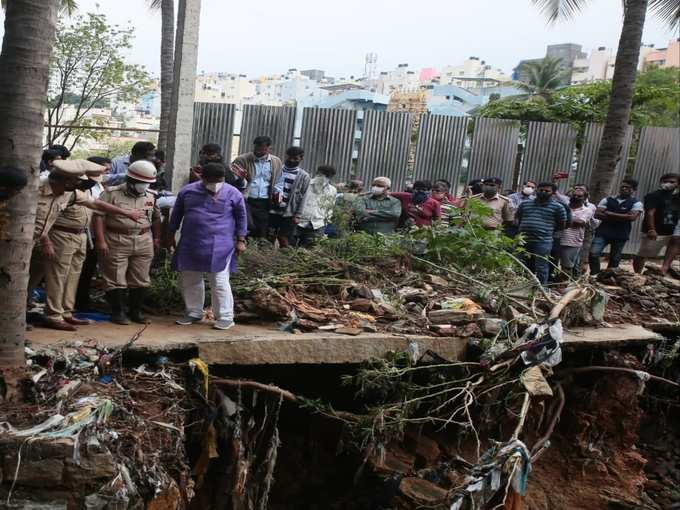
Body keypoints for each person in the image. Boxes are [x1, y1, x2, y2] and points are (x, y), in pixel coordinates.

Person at [28, 160, 143, 331]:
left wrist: (126, 212)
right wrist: (46, 240)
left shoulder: (70, 192)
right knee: (42, 278)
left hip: (50, 240)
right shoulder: (34, 190)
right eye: (76, 181)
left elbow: (95, 204)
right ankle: (51, 315)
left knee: (68, 276)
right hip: (30, 242)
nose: (79, 185)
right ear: (65, 181)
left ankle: (65, 313)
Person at [168, 163, 248, 330]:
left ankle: (225, 316)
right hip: (191, 242)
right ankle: (193, 312)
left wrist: (241, 240)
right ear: (202, 178)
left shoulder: (233, 193)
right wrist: (170, 236)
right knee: (190, 278)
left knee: (219, 281)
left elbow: (241, 217)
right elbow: (176, 215)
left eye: (219, 180)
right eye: (211, 180)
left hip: (220, 245)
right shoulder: (187, 191)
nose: (215, 184)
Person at [93, 160, 161, 325]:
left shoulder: (151, 196)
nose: (144, 186)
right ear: (131, 180)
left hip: (143, 238)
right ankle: (117, 312)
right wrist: (101, 240)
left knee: (141, 277)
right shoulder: (111, 194)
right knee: (115, 276)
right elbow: (99, 217)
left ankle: (135, 312)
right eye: (141, 182)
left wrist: (156, 238)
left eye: (147, 183)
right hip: (117, 238)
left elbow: (156, 217)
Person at [74, 157, 112, 311]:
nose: (107, 172)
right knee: (79, 271)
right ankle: (76, 302)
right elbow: (97, 207)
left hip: (94, 235)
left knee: (88, 270)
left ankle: (82, 301)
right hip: (82, 233)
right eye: (104, 169)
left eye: (108, 169)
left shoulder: (100, 187)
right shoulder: (81, 186)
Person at [515, 182, 567, 285]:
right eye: (541, 190)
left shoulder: (558, 207)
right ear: (536, 190)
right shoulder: (525, 204)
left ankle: (541, 288)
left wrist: (545, 231)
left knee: (541, 266)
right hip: (523, 240)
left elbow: (562, 225)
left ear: (553, 193)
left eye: (547, 191)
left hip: (543, 242)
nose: (543, 192)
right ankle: (520, 285)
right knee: (520, 264)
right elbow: (519, 218)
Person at [232, 136, 284, 239]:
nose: (259, 152)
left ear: (269, 148)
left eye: (262, 150)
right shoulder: (242, 160)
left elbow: (279, 181)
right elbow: (235, 182)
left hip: (264, 201)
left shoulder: (276, 161)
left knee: (261, 229)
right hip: (246, 199)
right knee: (245, 226)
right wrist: (242, 178)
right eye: (257, 149)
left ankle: (257, 251)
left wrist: (278, 193)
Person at [589, 179, 643, 275]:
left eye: (628, 187)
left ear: (633, 190)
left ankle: (608, 277)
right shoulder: (608, 199)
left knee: (615, 259)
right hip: (603, 232)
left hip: (621, 234)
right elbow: (597, 214)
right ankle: (595, 275)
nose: (624, 189)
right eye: (623, 186)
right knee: (593, 253)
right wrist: (623, 216)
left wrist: (609, 213)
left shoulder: (636, 203)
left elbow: (632, 217)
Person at [633, 173, 680, 273]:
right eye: (665, 181)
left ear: (678, 184)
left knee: (674, 245)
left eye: (672, 182)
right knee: (643, 254)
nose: (667, 184)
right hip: (656, 231)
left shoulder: (676, 197)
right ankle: (637, 274)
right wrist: (651, 229)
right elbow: (650, 213)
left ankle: (665, 268)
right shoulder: (653, 196)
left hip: (672, 230)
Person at [269, 146, 310, 248]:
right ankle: (266, 257)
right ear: (286, 156)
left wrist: (298, 215)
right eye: (289, 157)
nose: (291, 160)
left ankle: (284, 259)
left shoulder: (304, 176)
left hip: (289, 213)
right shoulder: (277, 170)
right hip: (272, 210)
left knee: (284, 239)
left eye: (295, 158)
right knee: (269, 237)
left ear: (301, 159)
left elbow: (304, 197)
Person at [557, 189, 596, 278]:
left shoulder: (587, 210)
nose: (576, 197)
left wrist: (561, 219)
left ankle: (564, 285)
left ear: (585, 198)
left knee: (567, 266)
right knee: (552, 263)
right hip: (556, 239)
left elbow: (580, 223)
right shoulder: (562, 207)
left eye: (579, 196)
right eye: (574, 195)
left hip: (572, 242)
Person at [296, 165, 337, 247]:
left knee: (308, 252)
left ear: (331, 177)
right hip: (298, 221)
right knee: (288, 247)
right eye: (322, 174)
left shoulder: (332, 190)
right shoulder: (306, 184)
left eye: (327, 176)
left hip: (317, 225)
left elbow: (330, 207)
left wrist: (325, 222)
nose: (324, 178)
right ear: (317, 173)